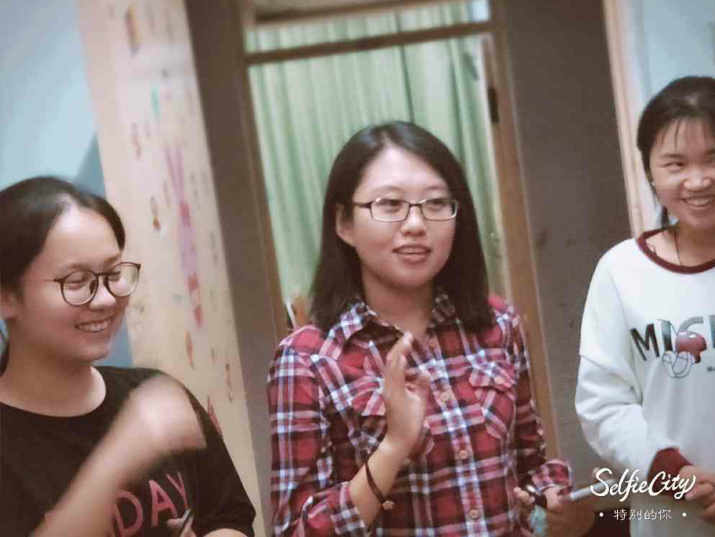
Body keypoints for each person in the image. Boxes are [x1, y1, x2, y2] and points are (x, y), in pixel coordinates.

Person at [267, 121, 594, 536]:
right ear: (344, 223)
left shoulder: (497, 324)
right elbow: (295, 530)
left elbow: (530, 464)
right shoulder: (307, 360)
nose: (416, 224)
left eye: (436, 203)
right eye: (390, 204)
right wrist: (393, 447)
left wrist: (552, 505)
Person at [0, 176, 256, 537]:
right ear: (6, 296)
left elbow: (230, 516)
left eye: (114, 273)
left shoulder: (154, 391)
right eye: (76, 282)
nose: (106, 299)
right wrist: (119, 458)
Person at [576, 76, 715, 537]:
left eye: (713, 158)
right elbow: (603, 405)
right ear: (651, 172)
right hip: (671, 520)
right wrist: (672, 472)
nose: (698, 180)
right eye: (676, 163)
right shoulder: (621, 271)